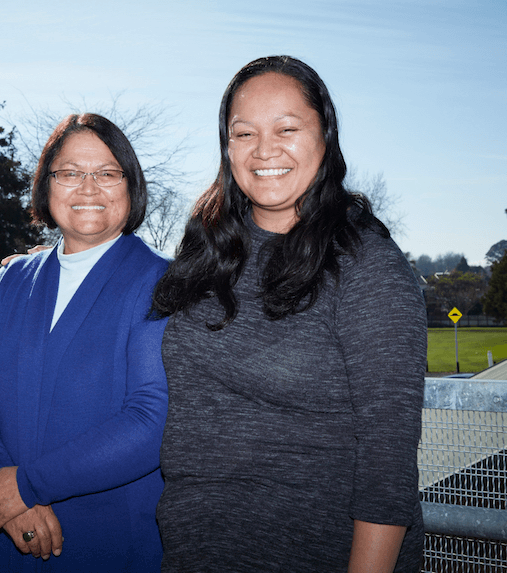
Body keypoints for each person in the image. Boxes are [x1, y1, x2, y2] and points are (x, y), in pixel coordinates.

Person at [151, 56, 427, 572]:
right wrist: (57, 261)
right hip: (197, 553)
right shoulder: (208, 250)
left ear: (325, 135)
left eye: (287, 128)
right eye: (244, 133)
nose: (264, 150)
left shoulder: (367, 266)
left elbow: (388, 466)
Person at [0, 113, 170, 572]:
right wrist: (4, 491)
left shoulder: (162, 283)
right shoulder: (11, 282)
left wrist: (27, 486)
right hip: (13, 536)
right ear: (46, 185)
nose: (88, 187)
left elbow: (151, 419)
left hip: (110, 543)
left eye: (108, 173)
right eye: (70, 173)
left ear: (131, 186)